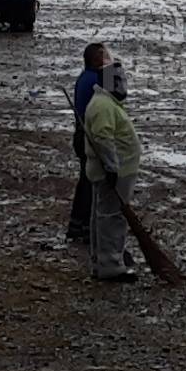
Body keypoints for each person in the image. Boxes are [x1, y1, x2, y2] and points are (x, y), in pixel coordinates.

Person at [83, 60, 142, 282]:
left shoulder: (106, 103)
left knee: (103, 215)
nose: (123, 85)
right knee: (111, 217)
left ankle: (103, 260)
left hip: (117, 170)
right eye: (118, 81)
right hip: (115, 171)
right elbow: (103, 139)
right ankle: (110, 264)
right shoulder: (103, 106)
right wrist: (111, 166)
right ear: (110, 82)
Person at [67, 42, 111, 243]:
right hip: (88, 136)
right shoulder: (95, 80)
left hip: (82, 134)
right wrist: (111, 70)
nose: (108, 58)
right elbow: (114, 98)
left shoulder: (85, 77)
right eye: (104, 55)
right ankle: (84, 226)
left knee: (86, 181)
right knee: (90, 183)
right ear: (95, 59)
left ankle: (78, 224)